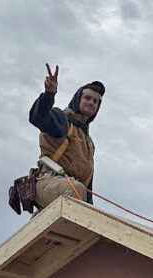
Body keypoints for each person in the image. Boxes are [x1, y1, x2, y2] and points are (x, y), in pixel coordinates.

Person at [28, 65, 104, 208]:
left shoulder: (89, 143)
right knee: (75, 189)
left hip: (76, 190)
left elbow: (88, 185)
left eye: (95, 101)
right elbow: (38, 118)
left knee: (90, 211)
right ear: (77, 99)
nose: (91, 103)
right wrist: (49, 94)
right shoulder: (62, 120)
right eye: (87, 98)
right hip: (48, 181)